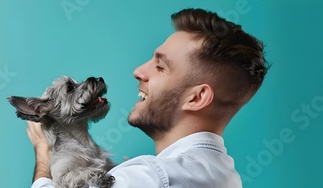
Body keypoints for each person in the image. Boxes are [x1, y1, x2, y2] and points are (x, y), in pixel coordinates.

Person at [26, 8, 269, 188]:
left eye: (161, 67)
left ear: (196, 98)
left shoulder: (153, 177)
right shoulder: (225, 176)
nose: (139, 71)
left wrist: (43, 155)